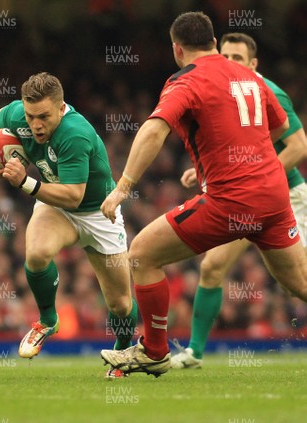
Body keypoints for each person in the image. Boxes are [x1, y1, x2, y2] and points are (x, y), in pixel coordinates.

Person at [100, 12, 307, 377]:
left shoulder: (186, 80)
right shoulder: (252, 78)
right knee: (299, 284)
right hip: (274, 197)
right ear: (214, 42)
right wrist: (238, 155)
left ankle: (154, 350)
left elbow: (152, 131)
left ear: (177, 49)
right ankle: (175, 349)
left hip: (231, 201)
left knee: (142, 255)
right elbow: (280, 126)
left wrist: (122, 188)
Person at [0, 72, 138, 368]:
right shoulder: (19, 116)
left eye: (44, 116)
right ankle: (48, 320)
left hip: (97, 211)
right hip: (56, 205)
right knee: (36, 254)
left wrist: (25, 183)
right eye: (30, 116)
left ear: (61, 107)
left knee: (120, 304)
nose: (36, 124)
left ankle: (124, 350)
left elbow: (74, 196)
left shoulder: (74, 133)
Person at [171, 32, 307, 369]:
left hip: (287, 196)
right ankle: (195, 353)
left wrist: (257, 178)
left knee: (299, 285)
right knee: (212, 266)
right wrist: (202, 174)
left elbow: (298, 146)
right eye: (226, 56)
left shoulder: (269, 91)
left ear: (253, 64)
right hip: (243, 200)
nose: (230, 63)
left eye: (238, 58)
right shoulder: (223, 88)